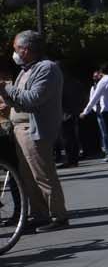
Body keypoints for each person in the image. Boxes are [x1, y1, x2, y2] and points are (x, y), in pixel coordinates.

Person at [1, 31, 68, 232]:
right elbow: (18, 99)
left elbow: (32, 98)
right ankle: (39, 214)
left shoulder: (46, 69)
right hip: (21, 128)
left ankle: (58, 215)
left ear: (26, 49)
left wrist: (7, 88)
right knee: (28, 175)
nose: (14, 52)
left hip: (34, 129)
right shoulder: (25, 70)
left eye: (16, 48)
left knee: (43, 173)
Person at [83, 64, 108, 161]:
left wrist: (85, 111)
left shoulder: (104, 81)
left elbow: (95, 97)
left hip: (107, 110)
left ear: (101, 72)